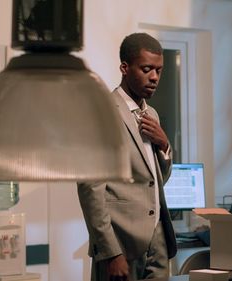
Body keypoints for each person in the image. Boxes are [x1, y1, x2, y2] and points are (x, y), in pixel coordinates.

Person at [77, 33, 176, 281]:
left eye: (159, 70)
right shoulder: (102, 111)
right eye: (146, 69)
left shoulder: (151, 113)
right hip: (121, 245)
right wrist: (110, 253)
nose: (154, 77)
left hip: (159, 241)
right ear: (124, 68)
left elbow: (155, 181)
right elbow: (91, 189)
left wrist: (164, 144)